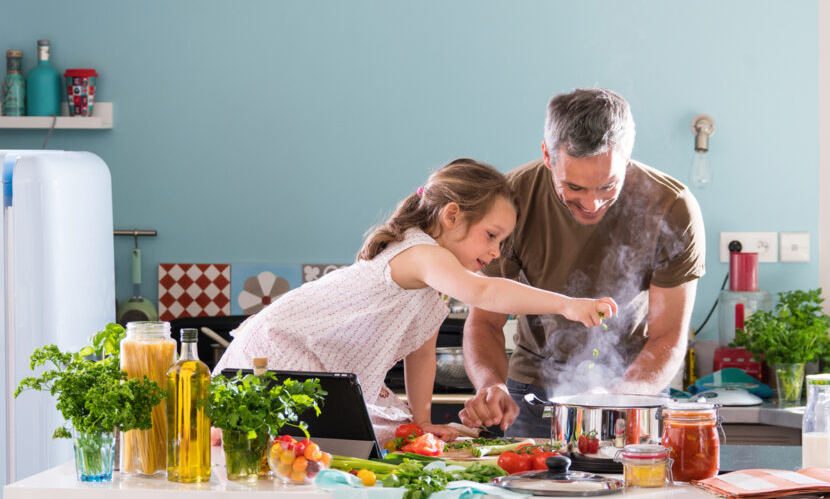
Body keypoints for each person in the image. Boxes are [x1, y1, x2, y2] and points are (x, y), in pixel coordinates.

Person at [214, 158, 616, 445]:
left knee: (388, 435)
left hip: (317, 367)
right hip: (281, 350)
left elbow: (420, 355)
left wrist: (422, 420)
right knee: (276, 447)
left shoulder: (433, 284)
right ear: (452, 215)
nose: (496, 252)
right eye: (491, 235)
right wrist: (569, 305)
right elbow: (485, 292)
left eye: (503, 242)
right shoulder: (422, 253)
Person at [459, 88, 705, 438]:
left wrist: (619, 400)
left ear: (627, 157)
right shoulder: (511, 200)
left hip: (634, 389)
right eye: (573, 187)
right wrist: (490, 385)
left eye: (608, 186)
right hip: (532, 392)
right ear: (547, 155)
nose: (591, 204)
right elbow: (484, 320)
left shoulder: (672, 206)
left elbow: (668, 336)